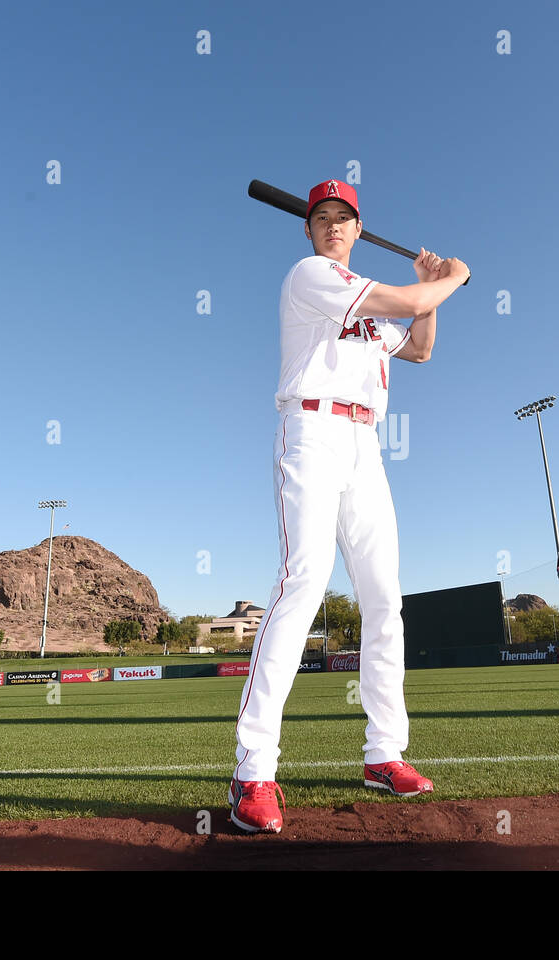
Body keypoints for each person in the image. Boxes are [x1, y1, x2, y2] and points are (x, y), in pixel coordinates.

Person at [228, 178, 469, 834]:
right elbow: (413, 297)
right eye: (322, 218)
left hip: (366, 444)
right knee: (303, 584)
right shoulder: (311, 276)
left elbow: (419, 344)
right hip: (310, 431)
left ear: (359, 230)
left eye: (344, 218)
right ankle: (254, 769)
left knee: (385, 597)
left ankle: (383, 754)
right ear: (309, 231)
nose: (333, 226)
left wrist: (430, 289)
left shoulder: (370, 314)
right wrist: (453, 275)